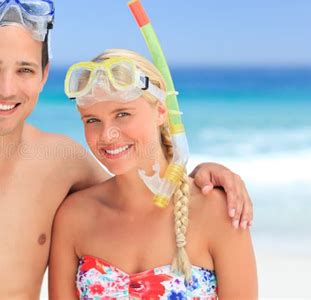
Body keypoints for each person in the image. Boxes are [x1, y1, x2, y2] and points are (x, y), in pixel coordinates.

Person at [0, 0, 253, 300]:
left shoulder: (63, 162)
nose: (6, 88)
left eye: (24, 70)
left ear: (43, 77)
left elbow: (140, 190)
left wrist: (204, 173)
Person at [49, 49, 257, 299]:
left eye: (122, 114)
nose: (107, 135)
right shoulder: (74, 217)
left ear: (160, 112)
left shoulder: (218, 211)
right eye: (92, 120)